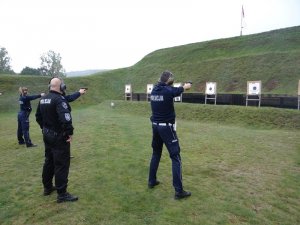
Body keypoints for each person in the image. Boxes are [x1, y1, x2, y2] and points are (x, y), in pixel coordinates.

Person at [148, 71, 192, 200]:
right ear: (169, 80)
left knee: (156, 153)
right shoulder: (168, 91)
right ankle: (179, 191)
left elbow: (173, 89)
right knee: (175, 157)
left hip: (155, 126)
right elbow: (181, 89)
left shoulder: (154, 90)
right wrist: (186, 85)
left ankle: (151, 180)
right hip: (166, 127)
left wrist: (180, 87)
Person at [35, 77, 78, 203]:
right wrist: (69, 133)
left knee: (49, 161)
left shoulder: (43, 99)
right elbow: (65, 119)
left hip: (47, 135)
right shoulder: (59, 99)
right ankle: (62, 194)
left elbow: (38, 117)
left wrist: (45, 128)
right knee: (61, 164)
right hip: (58, 137)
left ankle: (47, 188)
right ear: (61, 87)